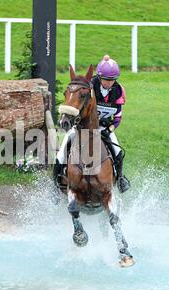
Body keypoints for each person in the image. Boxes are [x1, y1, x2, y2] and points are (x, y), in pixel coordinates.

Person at [53, 54, 131, 193]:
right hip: (82, 126)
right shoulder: (90, 87)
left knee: (118, 151)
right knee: (63, 149)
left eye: (112, 80)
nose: (109, 83)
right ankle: (55, 184)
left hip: (105, 127)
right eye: (106, 79)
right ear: (100, 77)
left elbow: (118, 116)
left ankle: (120, 178)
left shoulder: (118, 91)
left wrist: (110, 128)